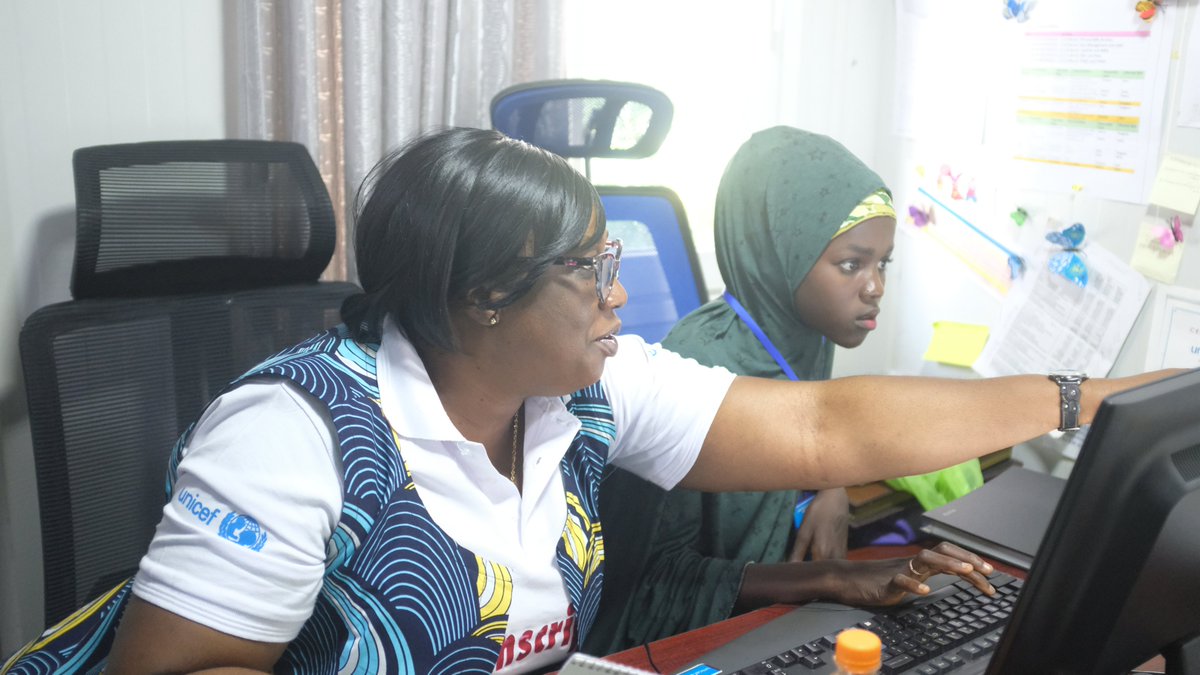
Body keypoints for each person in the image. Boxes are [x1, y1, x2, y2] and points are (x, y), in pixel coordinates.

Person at [3, 127, 1178, 675]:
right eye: (587, 268)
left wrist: (1095, 399)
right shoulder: (293, 434)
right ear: (478, 301)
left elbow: (826, 427)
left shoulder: (590, 387)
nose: (622, 291)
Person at [585, 126, 981, 655]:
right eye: (851, 264)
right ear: (780, 257)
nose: (875, 287)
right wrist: (831, 578)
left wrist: (830, 484)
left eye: (881, 262)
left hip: (771, 611)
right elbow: (655, 578)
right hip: (677, 635)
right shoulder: (701, 361)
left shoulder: (806, 334)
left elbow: (813, 422)